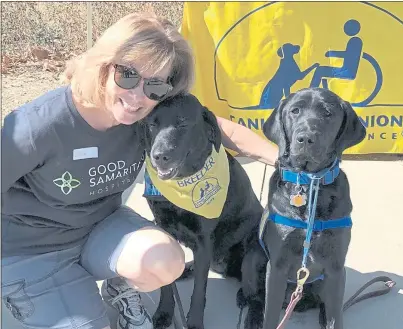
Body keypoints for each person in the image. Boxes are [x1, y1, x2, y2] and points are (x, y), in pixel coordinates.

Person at [1, 12, 278, 329]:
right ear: (104, 65)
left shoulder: (149, 115)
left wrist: (288, 163)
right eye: (128, 75)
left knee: (165, 260)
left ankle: (120, 284)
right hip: (32, 251)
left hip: (98, 229)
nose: (138, 96)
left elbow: (222, 129)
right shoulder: (37, 127)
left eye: (156, 85)